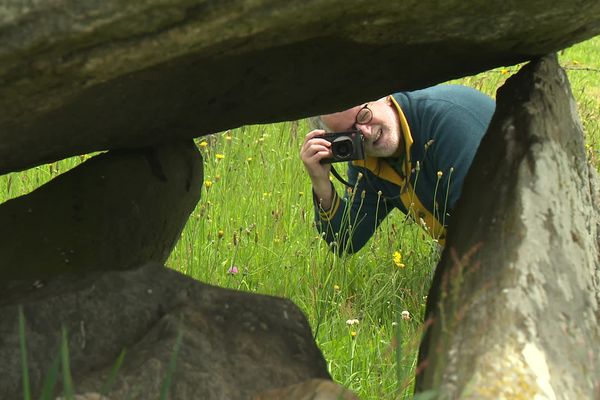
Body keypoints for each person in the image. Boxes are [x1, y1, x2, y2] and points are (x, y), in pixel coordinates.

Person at [300, 84, 495, 253]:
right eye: (350, 134)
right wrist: (320, 182)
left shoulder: (446, 124)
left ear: (385, 97)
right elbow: (346, 240)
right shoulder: (368, 161)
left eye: (364, 115)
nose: (365, 132)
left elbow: (483, 223)